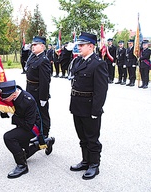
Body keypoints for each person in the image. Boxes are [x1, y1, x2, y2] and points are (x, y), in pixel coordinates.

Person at [68, 32, 108, 180]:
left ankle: (94, 165)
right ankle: (85, 161)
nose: (79, 47)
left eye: (82, 45)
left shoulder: (98, 64)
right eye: (78, 44)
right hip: (77, 105)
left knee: (92, 138)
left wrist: (96, 110)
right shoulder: (78, 61)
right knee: (82, 137)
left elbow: (101, 90)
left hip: (90, 106)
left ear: (91, 46)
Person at [0, 80, 55, 179]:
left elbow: (29, 125)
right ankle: (47, 142)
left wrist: (12, 115)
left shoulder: (28, 100)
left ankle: (22, 166)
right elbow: (4, 114)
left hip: (32, 128)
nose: (4, 100)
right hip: (22, 124)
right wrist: (3, 109)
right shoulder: (14, 96)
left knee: (8, 137)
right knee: (24, 153)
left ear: (13, 94)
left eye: (5, 98)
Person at [25, 36, 51, 137]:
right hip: (30, 89)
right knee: (33, 113)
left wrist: (43, 97)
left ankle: (45, 133)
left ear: (42, 46)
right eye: (33, 45)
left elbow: (45, 81)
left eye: (36, 45)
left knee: (42, 113)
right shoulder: (33, 57)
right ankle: (35, 132)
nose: (33, 46)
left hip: (38, 91)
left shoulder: (43, 60)